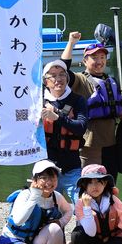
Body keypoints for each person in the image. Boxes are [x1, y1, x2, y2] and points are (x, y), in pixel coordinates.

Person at [61, 33, 122, 181]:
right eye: (94, 58)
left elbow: (113, 105)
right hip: (90, 143)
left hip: (111, 141)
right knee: (91, 181)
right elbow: (63, 69)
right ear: (85, 60)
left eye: (102, 57)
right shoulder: (80, 79)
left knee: (110, 181)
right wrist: (71, 43)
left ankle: (110, 204)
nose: (99, 61)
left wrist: (121, 113)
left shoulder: (111, 80)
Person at [0, 160, 73, 244]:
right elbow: (18, 220)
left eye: (53, 178)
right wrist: (35, 196)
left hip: (34, 240)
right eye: (44, 178)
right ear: (35, 180)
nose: (49, 183)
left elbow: (68, 211)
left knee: (55, 228)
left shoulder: (56, 197)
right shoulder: (25, 195)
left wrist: (61, 222)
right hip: (12, 241)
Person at [41, 59, 88, 204]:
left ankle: (82, 227)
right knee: (47, 208)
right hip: (46, 168)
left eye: (62, 74)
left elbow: (81, 127)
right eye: (53, 76)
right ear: (46, 81)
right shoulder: (38, 101)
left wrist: (58, 117)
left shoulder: (77, 100)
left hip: (71, 167)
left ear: (67, 78)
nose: (58, 79)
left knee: (82, 203)